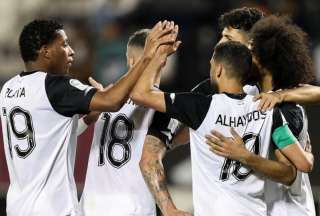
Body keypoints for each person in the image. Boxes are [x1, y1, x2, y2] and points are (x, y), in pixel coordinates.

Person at [0, 19, 176, 216]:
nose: (72, 51)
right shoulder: (56, 86)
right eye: (64, 45)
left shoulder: (8, 89)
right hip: (52, 208)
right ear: (45, 51)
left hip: (17, 206)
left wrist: (89, 118)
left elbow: (50, 135)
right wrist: (147, 56)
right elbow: (112, 101)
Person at [130, 40, 311, 215]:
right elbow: (290, 174)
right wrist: (248, 158)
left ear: (219, 69)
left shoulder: (201, 107)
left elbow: (140, 93)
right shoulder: (268, 110)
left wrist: (158, 58)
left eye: (211, 65)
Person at [206, 15, 316, 216]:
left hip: (287, 210)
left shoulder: (281, 109)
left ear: (264, 62)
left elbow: (296, 168)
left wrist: (244, 156)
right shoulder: (251, 96)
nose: (247, 58)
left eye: (252, 54)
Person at [79, 24, 182, 216]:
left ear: (129, 60)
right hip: (133, 206)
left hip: (91, 206)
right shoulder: (164, 105)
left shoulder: (105, 98)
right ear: (164, 61)